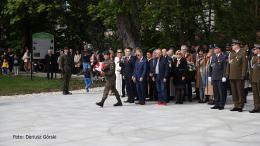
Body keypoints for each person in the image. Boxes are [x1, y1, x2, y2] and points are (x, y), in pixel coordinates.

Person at [226, 39, 248, 112]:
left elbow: (244, 65)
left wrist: (243, 75)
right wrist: (227, 74)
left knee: (240, 91)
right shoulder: (231, 53)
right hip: (232, 75)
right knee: (234, 91)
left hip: (239, 75)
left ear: (236, 45)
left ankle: (240, 105)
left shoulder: (243, 53)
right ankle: (236, 104)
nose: (232, 46)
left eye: (233, 45)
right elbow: (228, 65)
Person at [209, 44, 227, 110]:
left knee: (221, 91)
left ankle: (222, 104)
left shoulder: (224, 57)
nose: (214, 50)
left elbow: (225, 67)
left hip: (220, 76)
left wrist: (224, 76)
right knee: (215, 91)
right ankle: (216, 103)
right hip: (214, 76)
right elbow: (210, 66)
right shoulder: (213, 57)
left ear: (219, 49)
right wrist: (209, 75)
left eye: (215, 49)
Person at [249, 44, 260, 113]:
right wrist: (250, 77)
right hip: (254, 78)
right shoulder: (254, 58)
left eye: (255, 49)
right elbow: (251, 69)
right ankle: (256, 107)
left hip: (259, 78)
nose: (253, 51)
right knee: (255, 94)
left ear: (258, 49)